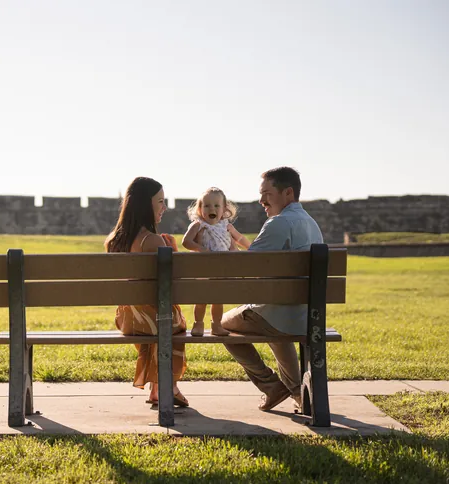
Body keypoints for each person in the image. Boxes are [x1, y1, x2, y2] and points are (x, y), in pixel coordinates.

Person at [220, 167, 324, 412]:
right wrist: (239, 240)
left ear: (288, 193)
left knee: (223, 325)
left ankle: (270, 385)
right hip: (305, 316)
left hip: (277, 315)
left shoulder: (277, 223)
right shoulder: (311, 224)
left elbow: (248, 268)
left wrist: (226, 244)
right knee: (274, 319)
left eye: (267, 193)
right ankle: (299, 394)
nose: (261, 200)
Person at [105, 177, 189, 407]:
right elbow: (176, 283)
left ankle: (159, 388)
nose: (164, 207)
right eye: (160, 201)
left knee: (158, 318)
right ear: (145, 204)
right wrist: (172, 251)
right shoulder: (153, 241)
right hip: (154, 321)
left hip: (127, 319)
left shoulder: (113, 241)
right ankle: (167, 386)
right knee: (173, 322)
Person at [181, 187, 251, 336]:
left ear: (224, 209)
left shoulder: (226, 226)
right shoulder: (199, 225)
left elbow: (239, 239)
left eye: (216, 205)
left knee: (218, 300)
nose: (211, 208)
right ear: (200, 209)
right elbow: (186, 242)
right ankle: (198, 324)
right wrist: (200, 248)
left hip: (221, 270)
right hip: (204, 269)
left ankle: (216, 325)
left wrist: (251, 248)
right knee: (202, 299)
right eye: (206, 205)